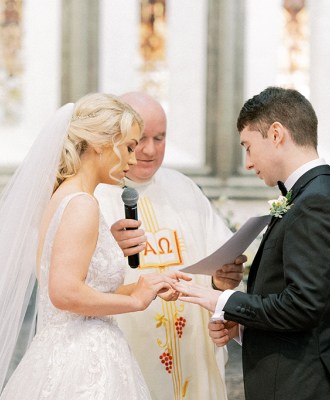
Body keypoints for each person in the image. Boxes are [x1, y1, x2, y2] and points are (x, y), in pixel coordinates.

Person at [0, 93, 190, 399]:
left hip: (65, 350)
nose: (133, 157)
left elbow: (84, 291)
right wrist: (135, 301)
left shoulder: (64, 196)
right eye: (129, 146)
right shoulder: (82, 204)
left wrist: (145, 286)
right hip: (84, 359)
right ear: (102, 143)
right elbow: (64, 293)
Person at [172, 87, 330, 400]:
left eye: (247, 146)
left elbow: (302, 306)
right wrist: (243, 325)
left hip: (303, 385)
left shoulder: (315, 202)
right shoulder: (311, 194)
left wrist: (221, 300)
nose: (247, 162)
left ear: (275, 134)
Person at [94, 92, 245, 400]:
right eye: (140, 139)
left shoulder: (184, 189)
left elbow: (219, 260)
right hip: (127, 350)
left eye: (160, 138)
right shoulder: (96, 196)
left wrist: (222, 279)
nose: (150, 150)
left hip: (192, 350)